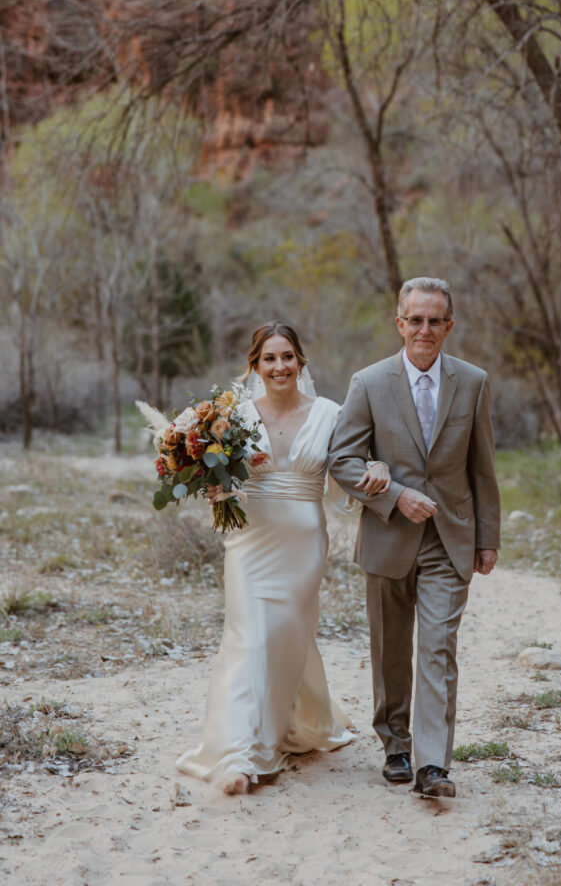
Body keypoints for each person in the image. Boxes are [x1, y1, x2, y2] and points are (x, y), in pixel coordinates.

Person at [176, 321, 390, 795]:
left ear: (301, 362)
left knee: (287, 639)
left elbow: (357, 460)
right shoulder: (230, 418)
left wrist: (378, 464)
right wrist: (215, 490)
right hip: (249, 543)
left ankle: (295, 721)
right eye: (269, 358)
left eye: (287, 357)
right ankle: (241, 754)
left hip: (303, 548)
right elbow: (218, 478)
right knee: (249, 638)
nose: (280, 366)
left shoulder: (330, 414)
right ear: (254, 366)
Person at [328, 277, 500, 798]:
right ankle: (395, 744)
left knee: (437, 648)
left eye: (435, 320)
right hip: (388, 535)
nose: (425, 329)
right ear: (400, 323)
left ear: (449, 326)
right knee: (390, 649)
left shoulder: (472, 382)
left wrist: (487, 537)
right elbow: (342, 460)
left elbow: (483, 468)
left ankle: (432, 766)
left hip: (451, 538)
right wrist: (394, 495)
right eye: (415, 319)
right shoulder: (369, 383)